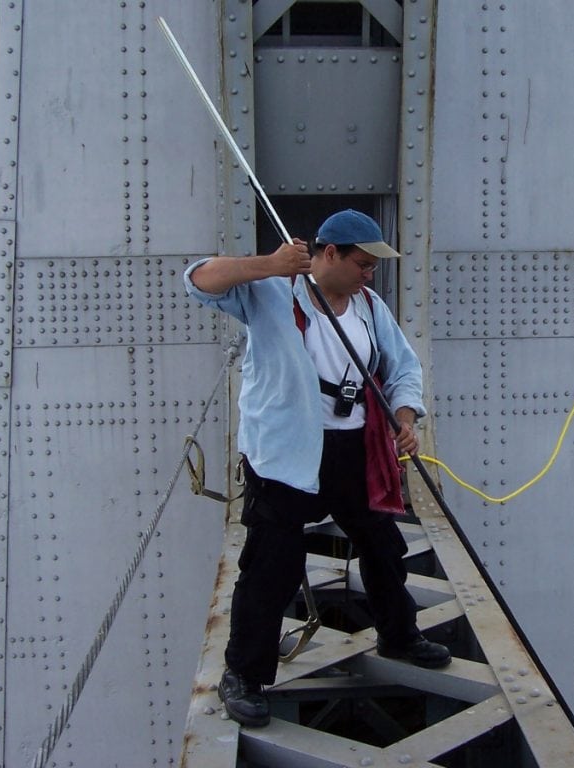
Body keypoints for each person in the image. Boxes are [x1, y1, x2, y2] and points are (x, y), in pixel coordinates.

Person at [184, 209, 451, 728]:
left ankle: (399, 636)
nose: (369, 274)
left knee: (383, 546)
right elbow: (197, 279)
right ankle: (243, 674)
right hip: (287, 455)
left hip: (354, 451)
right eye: (362, 263)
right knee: (271, 565)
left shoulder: (371, 308)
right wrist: (267, 264)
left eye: (374, 266)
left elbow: (402, 367)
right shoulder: (271, 295)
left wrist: (403, 416)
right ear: (328, 254)